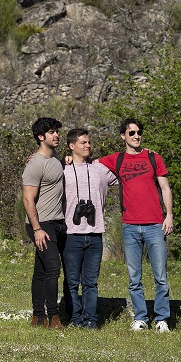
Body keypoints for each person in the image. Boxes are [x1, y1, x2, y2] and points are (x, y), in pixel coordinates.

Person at [99, 118, 174, 332]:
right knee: (134, 278)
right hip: (130, 226)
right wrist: (67, 158)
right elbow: (87, 163)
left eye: (139, 132)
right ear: (122, 136)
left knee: (161, 277)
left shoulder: (153, 157)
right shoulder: (117, 159)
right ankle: (140, 318)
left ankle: (161, 319)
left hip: (155, 225)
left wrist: (169, 215)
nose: (136, 136)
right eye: (131, 132)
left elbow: (165, 188)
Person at [61, 127, 117, 328]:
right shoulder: (62, 168)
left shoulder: (100, 169)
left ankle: (91, 319)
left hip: (95, 233)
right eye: (83, 142)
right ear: (71, 145)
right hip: (71, 234)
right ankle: (75, 319)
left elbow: (126, 171)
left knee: (91, 282)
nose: (88, 145)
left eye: (89, 142)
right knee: (71, 282)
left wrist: (144, 154)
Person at [22, 116, 67, 329]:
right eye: (51, 132)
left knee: (41, 270)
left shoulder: (55, 157)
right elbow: (27, 199)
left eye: (57, 131)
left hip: (57, 222)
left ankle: (38, 317)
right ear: (41, 137)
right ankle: (54, 317)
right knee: (53, 268)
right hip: (41, 224)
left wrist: (67, 159)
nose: (56, 135)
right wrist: (37, 229)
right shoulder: (35, 164)